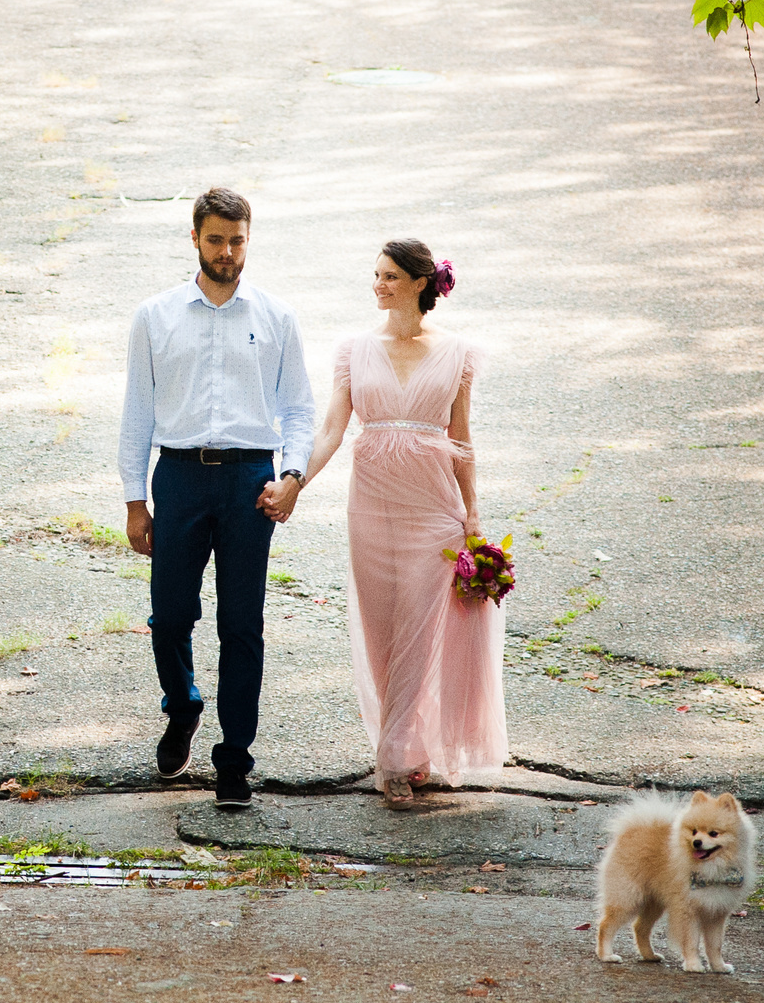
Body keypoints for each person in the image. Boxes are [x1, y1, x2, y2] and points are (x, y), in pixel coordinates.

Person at [119, 187, 314, 810]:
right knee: (171, 615)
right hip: (178, 476)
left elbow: (299, 409)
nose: (227, 252)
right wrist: (135, 500)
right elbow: (137, 412)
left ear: (248, 240)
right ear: (195, 239)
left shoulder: (276, 317)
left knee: (242, 623)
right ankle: (182, 708)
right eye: (215, 240)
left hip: (249, 481)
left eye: (237, 240)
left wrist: (292, 477)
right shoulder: (155, 316)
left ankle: (234, 760)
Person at [293, 239, 505, 805]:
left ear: (419, 282)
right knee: (384, 631)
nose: (378, 285)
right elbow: (331, 430)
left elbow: (462, 438)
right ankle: (409, 746)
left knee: (421, 627)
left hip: (434, 509)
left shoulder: (457, 353)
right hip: (372, 508)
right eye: (376, 275)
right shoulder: (353, 351)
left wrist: (472, 515)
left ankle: (393, 761)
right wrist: (294, 482)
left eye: (389, 276)